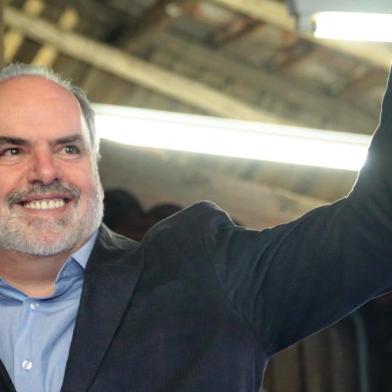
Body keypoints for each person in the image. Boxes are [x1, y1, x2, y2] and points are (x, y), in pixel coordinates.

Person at [0, 62, 391, 392]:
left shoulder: (205, 275)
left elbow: (378, 227)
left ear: (94, 163)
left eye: (68, 148)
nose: (46, 171)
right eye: (12, 151)